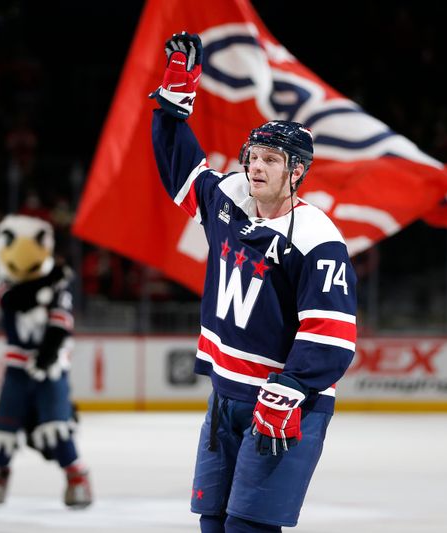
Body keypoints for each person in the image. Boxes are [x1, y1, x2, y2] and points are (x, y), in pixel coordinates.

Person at [150, 32, 357, 532]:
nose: (256, 166)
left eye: (270, 160)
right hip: (226, 396)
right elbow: (180, 166)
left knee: (249, 528)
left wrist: (291, 388)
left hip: (284, 401)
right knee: (213, 523)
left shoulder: (316, 238)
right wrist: (175, 98)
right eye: (253, 156)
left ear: (297, 172)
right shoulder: (228, 201)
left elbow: (332, 334)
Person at [0, 214, 92, 509]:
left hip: (50, 371)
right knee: (5, 425)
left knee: (56, 426)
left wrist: (46, 356)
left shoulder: (59, 293)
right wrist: (48, 282)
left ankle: (77, 478)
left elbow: (59, 326)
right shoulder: (5, 286)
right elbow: (16, 301)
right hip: (16, 370)